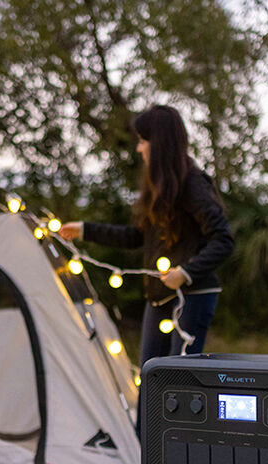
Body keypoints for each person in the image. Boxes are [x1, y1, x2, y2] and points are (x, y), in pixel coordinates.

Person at [60, 105, 234, 367]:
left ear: (160, 144)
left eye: (143, 141)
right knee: (151, 379)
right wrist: (84, 229)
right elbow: (136, 236)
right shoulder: (159, 187)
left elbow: (223, 240)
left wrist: (185, 272)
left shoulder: (193, 184)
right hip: (158, 295)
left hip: (193, 295)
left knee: (178, 380)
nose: (139, 149)